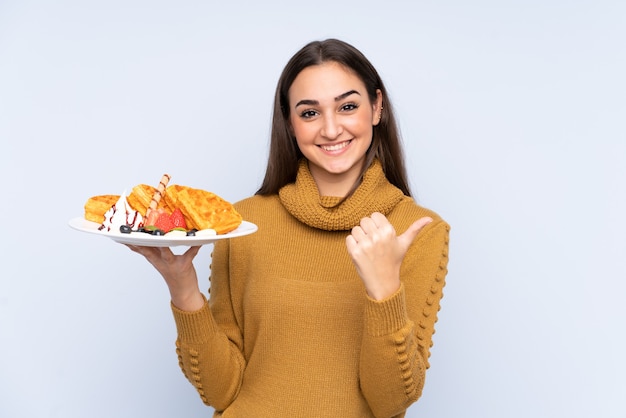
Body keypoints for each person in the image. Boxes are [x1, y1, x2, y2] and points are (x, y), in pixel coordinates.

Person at [128, 38, 450, 418]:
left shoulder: (418, 230)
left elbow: (390, 400)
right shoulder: (244, 223)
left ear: (377, 107)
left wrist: (383, 289)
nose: (331, 129)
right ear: (289, 123)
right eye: (310, 113)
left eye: (347, 107)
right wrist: (182, 285)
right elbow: (220, 391)